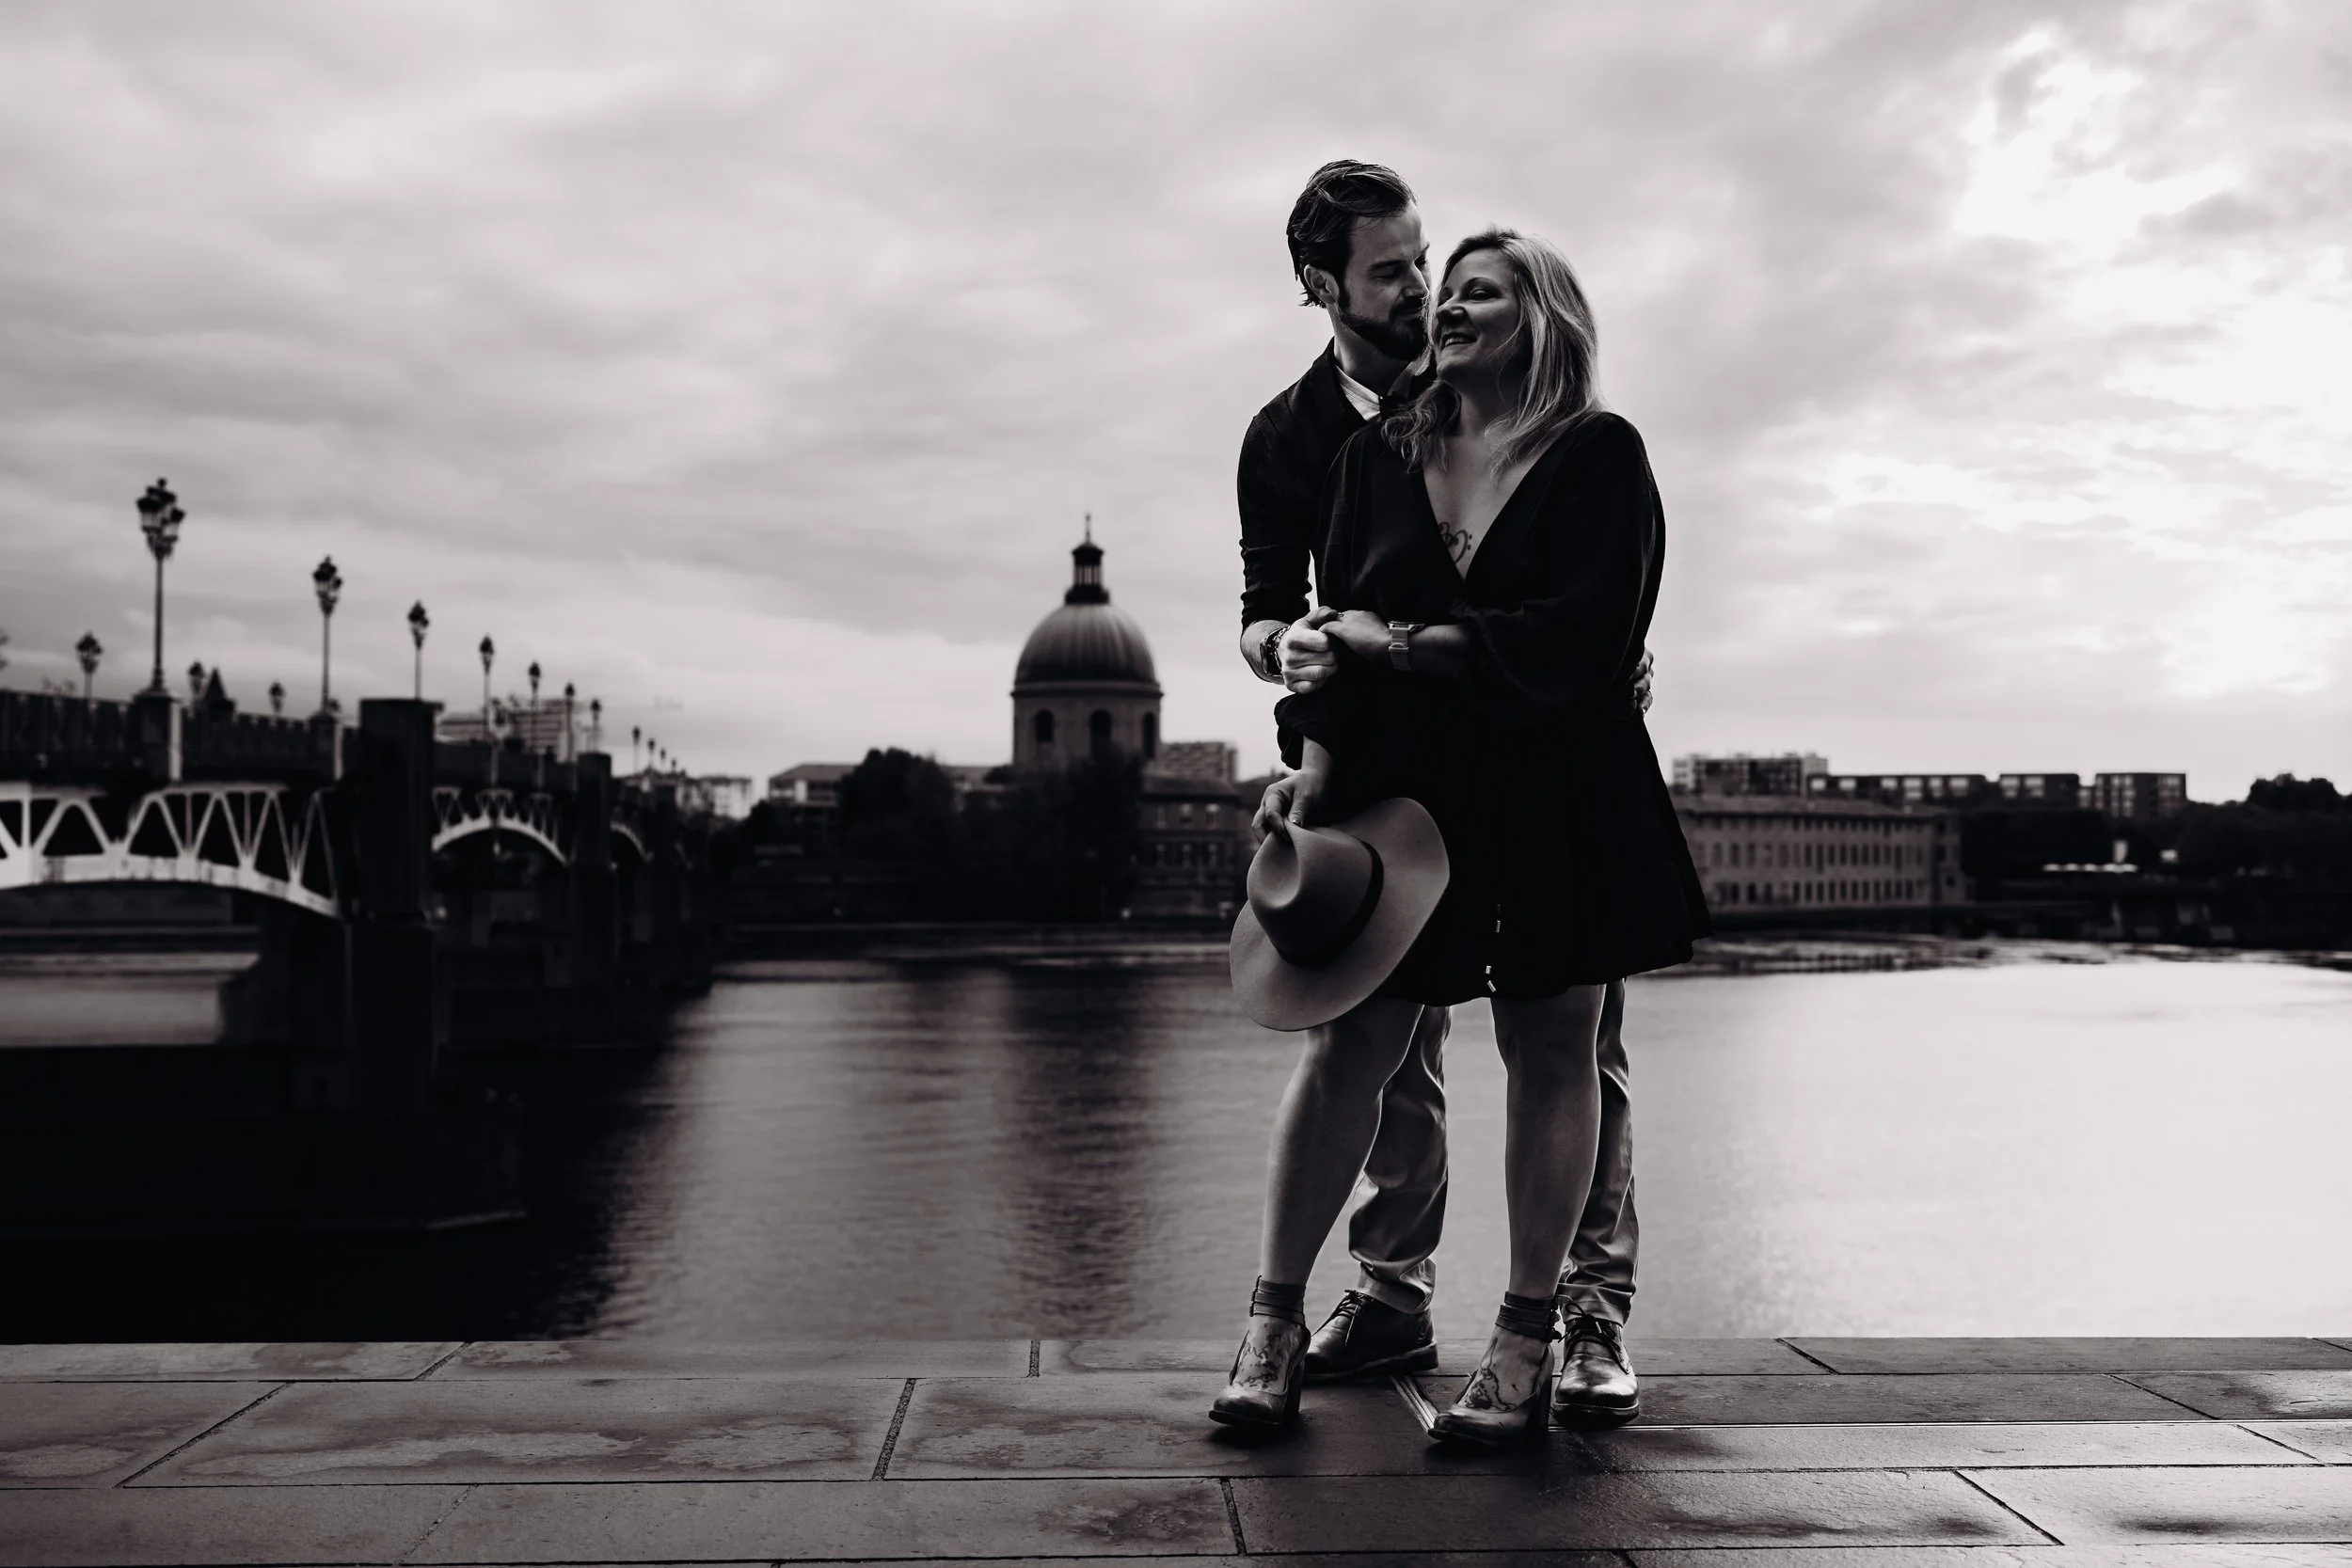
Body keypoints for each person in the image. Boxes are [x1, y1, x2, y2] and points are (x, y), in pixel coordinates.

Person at [1214, 226, 1708, 1446]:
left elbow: (1579, 641)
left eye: (1472, 284)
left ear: (1544, 317)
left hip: (1559, 790)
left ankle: (1543, 1336)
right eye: (1430, 282)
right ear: (1324, 284)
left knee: (1562, 1046)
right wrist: (1315, 762)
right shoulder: (1362, 454)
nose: (1442, 301)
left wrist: (1392, 642)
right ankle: (1276, 1322)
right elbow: (1317, 627)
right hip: (1413, 799)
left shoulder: (1599, 456)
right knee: (1351, 1049)